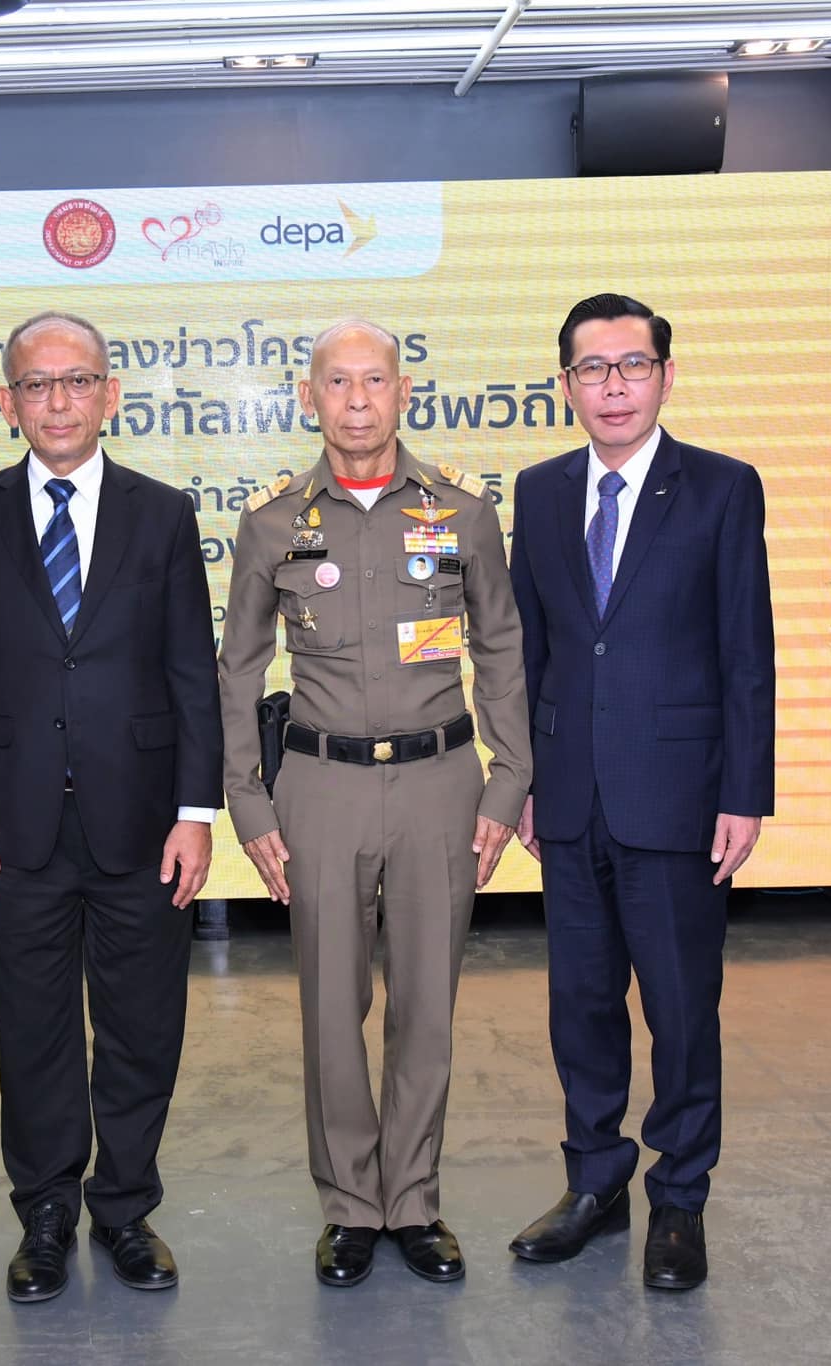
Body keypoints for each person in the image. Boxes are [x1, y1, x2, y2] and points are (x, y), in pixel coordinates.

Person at [217, 318, 531, 1287]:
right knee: (330, 1004)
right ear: (307, 397)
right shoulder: (272, 522)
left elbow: (500, 647)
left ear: (404, 391)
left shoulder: (463, 513)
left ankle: (415, 1200)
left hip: (441, 784)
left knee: (427, 1005)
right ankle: (351, 1205)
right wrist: (248, 802)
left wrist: (508, 780)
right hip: (320, 788)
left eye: (375, 381)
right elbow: (237, 669)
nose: (357, 401)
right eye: (337, 383)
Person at [0, 311, 223, 1304]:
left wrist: (195, 812)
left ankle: (126, 1209)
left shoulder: (162, 513)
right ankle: (46, 1215)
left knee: (142, 1026)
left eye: (76, 381)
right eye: (36, 384)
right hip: (13, 826)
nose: (57, 401)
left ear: (109, 394)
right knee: (33, 1030)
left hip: (142, 819)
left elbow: (191, 672)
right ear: (5, 401)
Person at [506, 293, 775, 1292]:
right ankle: (594, 1184)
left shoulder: (720, 487)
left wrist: (744, 793)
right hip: (568, 796)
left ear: (665, 376)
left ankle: (679, 1199)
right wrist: (521, 780)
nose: (612, 385)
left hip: (678, 796)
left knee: (680, 1010)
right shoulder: (538, 492)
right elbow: (528, 652)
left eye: (631, 365)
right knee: (579, 1005)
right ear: (565, 383)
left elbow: (746, 652)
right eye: (592, 368)